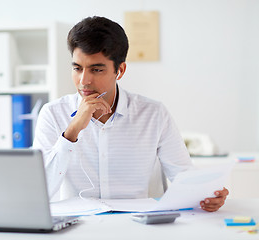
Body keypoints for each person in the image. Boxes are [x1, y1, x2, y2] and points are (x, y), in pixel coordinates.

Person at [33, 16, 228, 212]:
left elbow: (184, 178)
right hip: (79, 226)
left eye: (96, 69)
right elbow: (38, 193)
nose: (84, 80)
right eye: (77, 68)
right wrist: (72, 131)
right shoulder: (53, 114)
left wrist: (208, 195)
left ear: (120, 70)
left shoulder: (153, 114)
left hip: (136, 224)